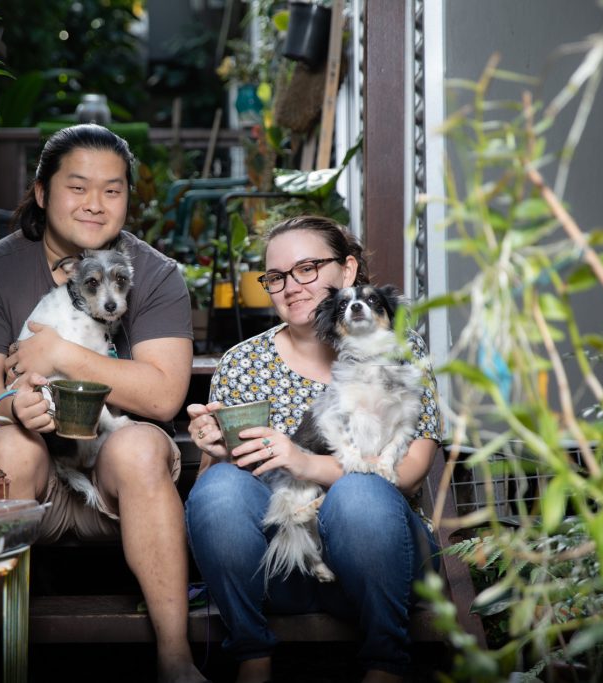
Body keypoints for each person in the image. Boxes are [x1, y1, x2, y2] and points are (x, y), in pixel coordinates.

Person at [0, 124, 208, 683]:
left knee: (140, 447)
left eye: (112, 190)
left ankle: (176, 660)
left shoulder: (154, 273)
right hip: (34, 474)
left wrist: (60, 353)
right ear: (42, 193)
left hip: (114, 474)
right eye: (78, 187)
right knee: (11, 452)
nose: (95, 204)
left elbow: (163, 396)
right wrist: (15, 406)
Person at [184, 215, 443, 683]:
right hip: (280, 569)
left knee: (360, 494)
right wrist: (217, 451)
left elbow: (410, 472)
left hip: (380, 561)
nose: (291, 286)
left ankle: (386, 664)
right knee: (221, 486)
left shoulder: (400, 348)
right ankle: (251, 656)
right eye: (277, 276)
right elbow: (212, 497)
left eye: (307, 267)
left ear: (347, 271)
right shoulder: (243, 363)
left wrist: (307, 462)